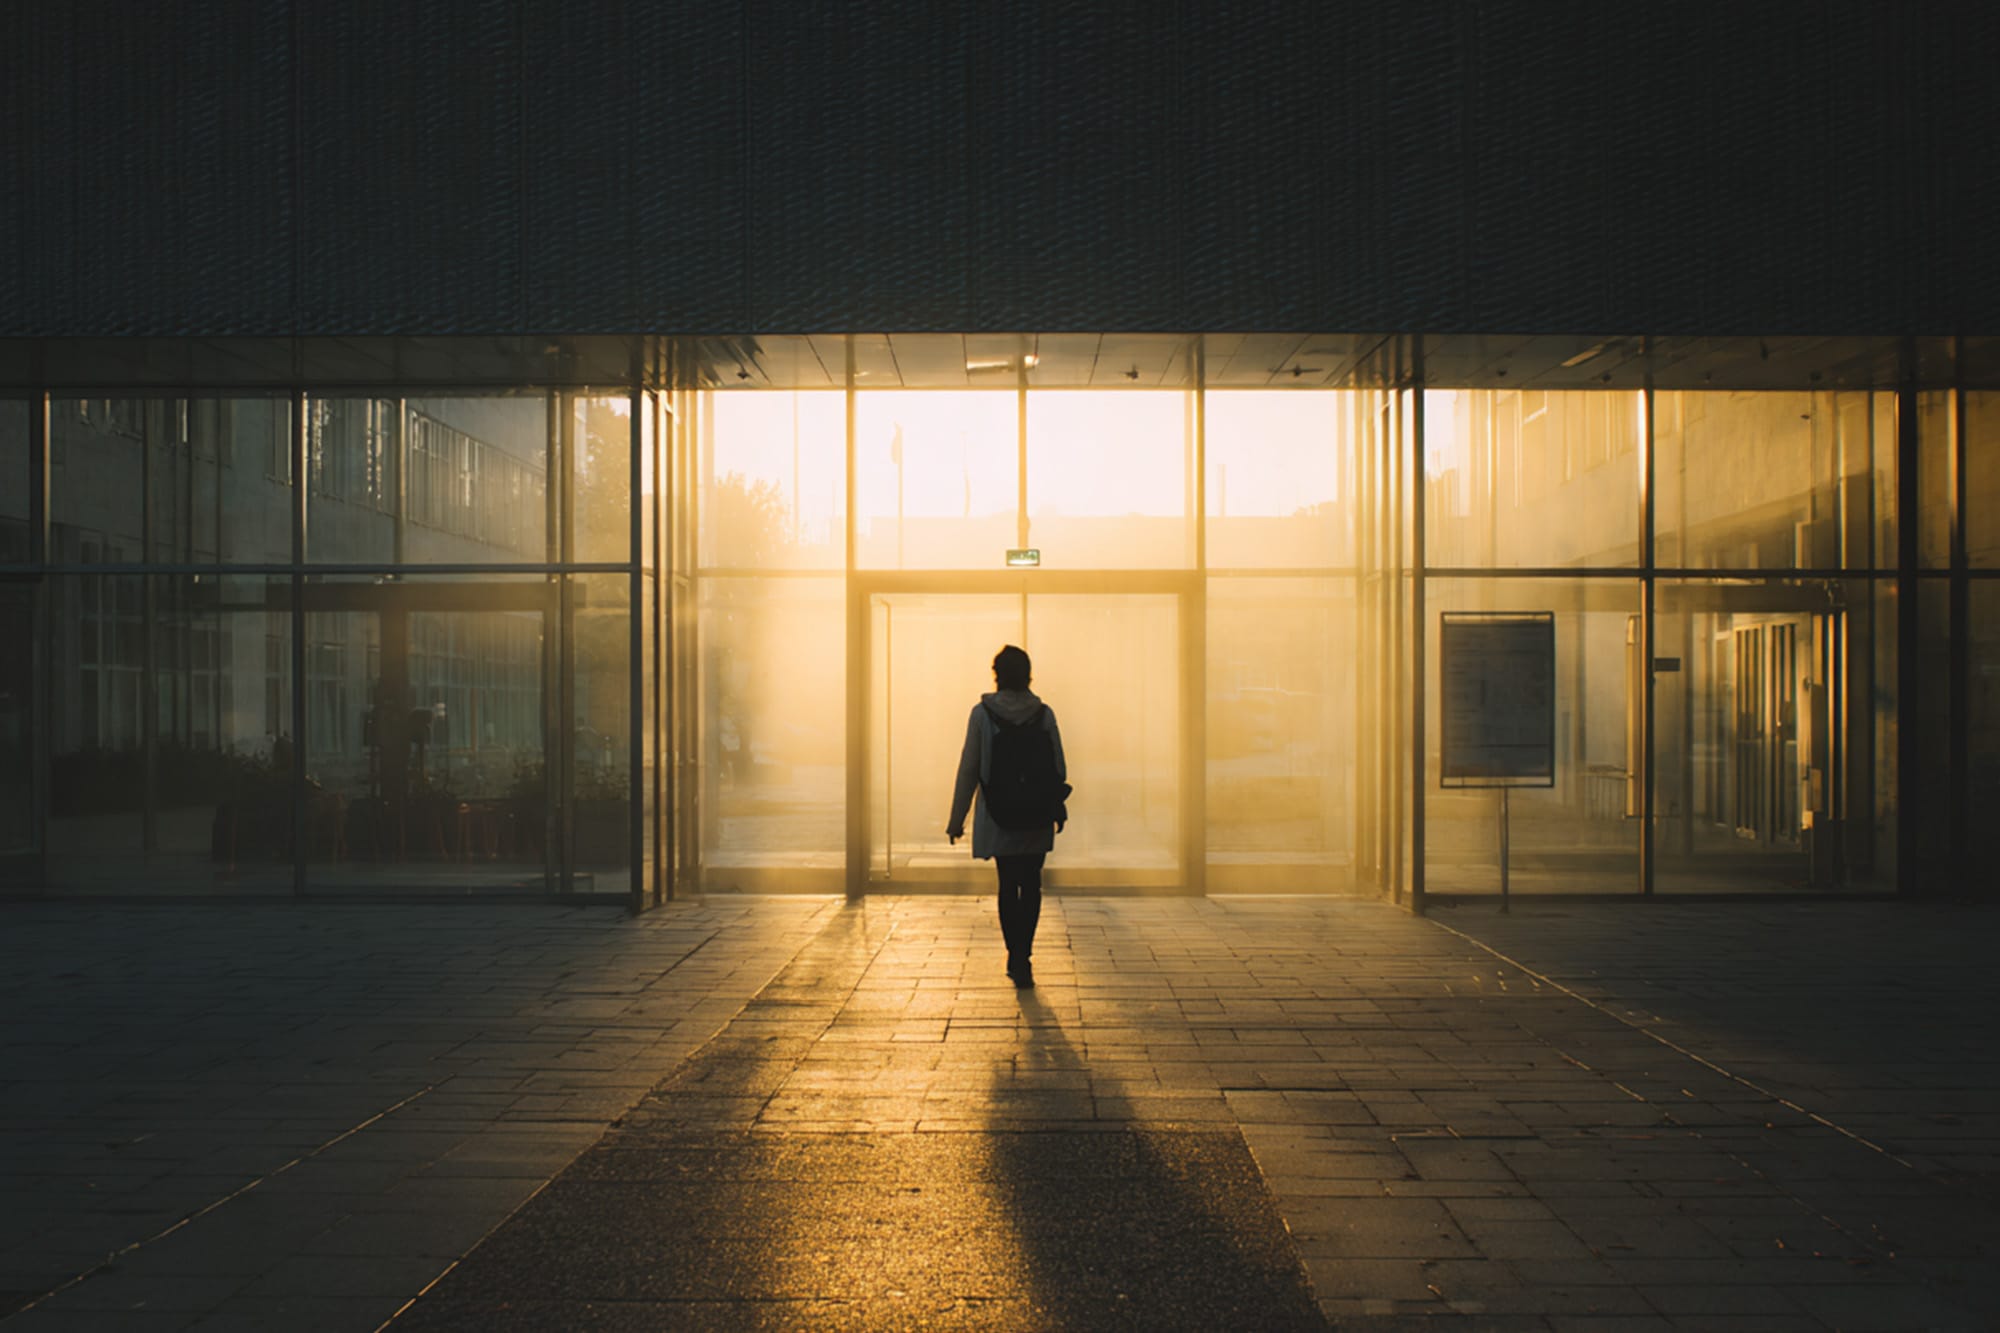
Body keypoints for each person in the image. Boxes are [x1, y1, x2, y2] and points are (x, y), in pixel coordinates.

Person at [947, 644, 1068, 986]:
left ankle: (1013, 954)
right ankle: (1024, 956)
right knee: (1031, 885)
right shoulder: (1044, 714)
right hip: (1035, 815)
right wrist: (1054, 804)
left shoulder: (981, 714)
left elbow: (969, 768)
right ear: (1028, 674)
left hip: (998, 815)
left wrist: (957, 819)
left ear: (997, 675)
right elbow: (1058, 766)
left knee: (1007, 884)